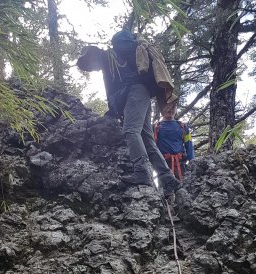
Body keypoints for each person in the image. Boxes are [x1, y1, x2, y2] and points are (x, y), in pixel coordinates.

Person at [77, 30, 180, 196]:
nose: (91, 69)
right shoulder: (114, 56)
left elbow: (110, 90)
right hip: (143, 93)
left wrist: (113, 110)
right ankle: (167, 177)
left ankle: (142, 172)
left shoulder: (108, 58)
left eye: (88, 65)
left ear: (92, 56)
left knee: (131, 131)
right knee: (146, 139)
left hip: (136, 92)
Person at [154, 103, 194, 181]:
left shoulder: (183, 126)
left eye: (173, 107)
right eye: (167, 106)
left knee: (183, 189)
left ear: (176, 109)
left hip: (180, 164)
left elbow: (189, 144)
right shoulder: (156, 127)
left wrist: (192, 161)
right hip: (163, 166)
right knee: (165, 191)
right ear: (162, 108)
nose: (170, 109)